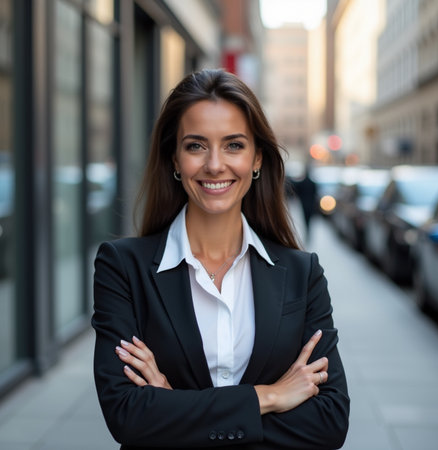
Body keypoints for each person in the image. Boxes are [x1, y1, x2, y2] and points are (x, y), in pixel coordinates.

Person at [92, 69, 349, 450]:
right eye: (196, 146)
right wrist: (271, 397)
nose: (215, 165)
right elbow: (128, 416)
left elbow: (329, 421)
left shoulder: (301, 273)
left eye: (233, 145)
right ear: (175, 160)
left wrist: (173, 404)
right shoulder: (123, 268)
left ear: (257, 159)